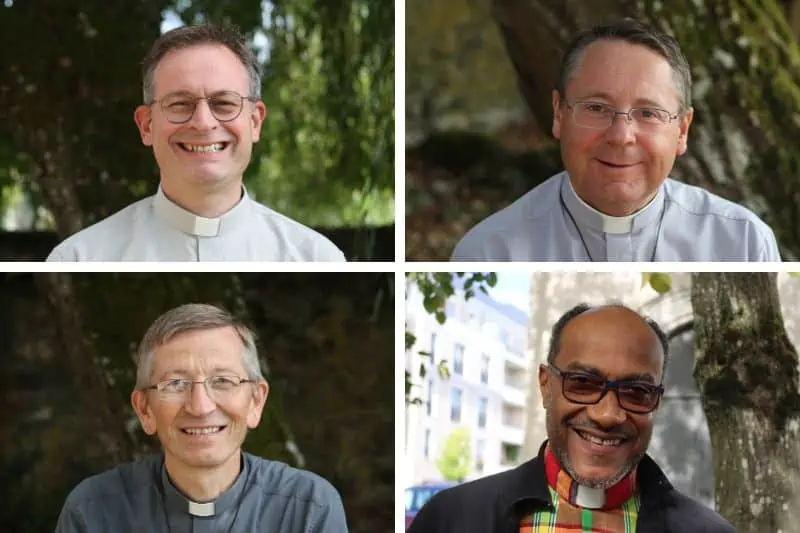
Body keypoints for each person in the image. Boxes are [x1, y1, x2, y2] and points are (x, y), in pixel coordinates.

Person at [451, 19, 780, 262]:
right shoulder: (489, 252)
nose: (621, 136)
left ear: (682, 130)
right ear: (559, 114)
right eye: (596, 108)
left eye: (648, 113)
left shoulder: (744, 244)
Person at [408, 303, 735, 533]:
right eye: (583, 384)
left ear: (656, 402)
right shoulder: (451, 519)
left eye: (636, 391)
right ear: (546, 385)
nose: (608, 415)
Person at [46, 24, 345, 262]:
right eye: (180, 104)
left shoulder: (315, 256)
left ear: (255, 121)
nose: (203, 123)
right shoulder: (80, 256)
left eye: (224, 103)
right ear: (147, 125)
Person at [55, 303, 348, 532]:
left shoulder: (309, 507)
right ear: (144, 408)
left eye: (222, 380)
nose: (200, 406)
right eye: (176, 384)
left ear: (256, 401)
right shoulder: (93, 511)